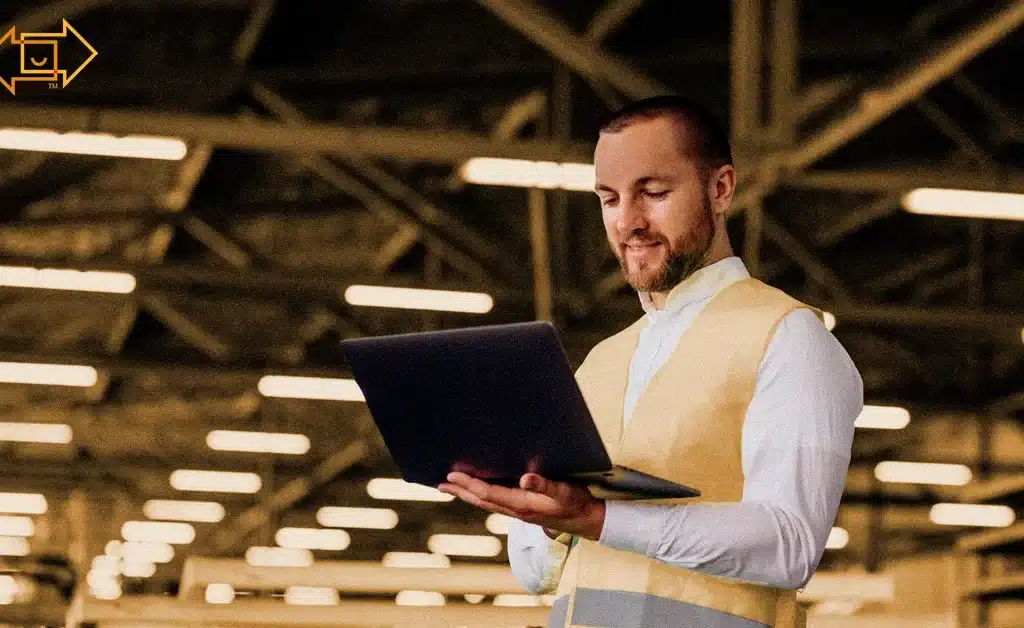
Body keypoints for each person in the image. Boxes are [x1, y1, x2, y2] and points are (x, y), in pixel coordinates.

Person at [438, 95, 863, 628]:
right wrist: (541, 516)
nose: (628, 221)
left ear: (721, 189)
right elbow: (535, 574)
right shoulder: (599, 363)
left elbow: (790, 544)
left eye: (654, 193)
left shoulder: (790, 339)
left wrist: (598, 517)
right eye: (609, 199)